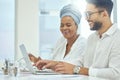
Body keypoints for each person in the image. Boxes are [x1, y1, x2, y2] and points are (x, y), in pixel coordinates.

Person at [34, 0, 120, 79]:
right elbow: (80, 62)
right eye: (86, 14)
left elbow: (116, 73)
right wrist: (54, 64)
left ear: (104, 14)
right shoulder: (92, 38)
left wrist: (78, 70)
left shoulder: (117, 38)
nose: (86, 18)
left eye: (89, 14)